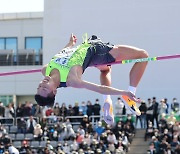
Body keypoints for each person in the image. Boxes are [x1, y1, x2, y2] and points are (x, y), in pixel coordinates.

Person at [35, 33, 148, 125]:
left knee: (105, 70)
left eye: (39, 86)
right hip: (96, 50)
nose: (43, 84)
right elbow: (99, 88)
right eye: (44, 89)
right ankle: (131, 93)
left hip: (90, 56)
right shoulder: (71, 80)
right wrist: (124, 92)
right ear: (54, 91)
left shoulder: (45, 70)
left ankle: (107, 101)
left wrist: (70, 44)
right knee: (143, 55)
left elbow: (62, 54)